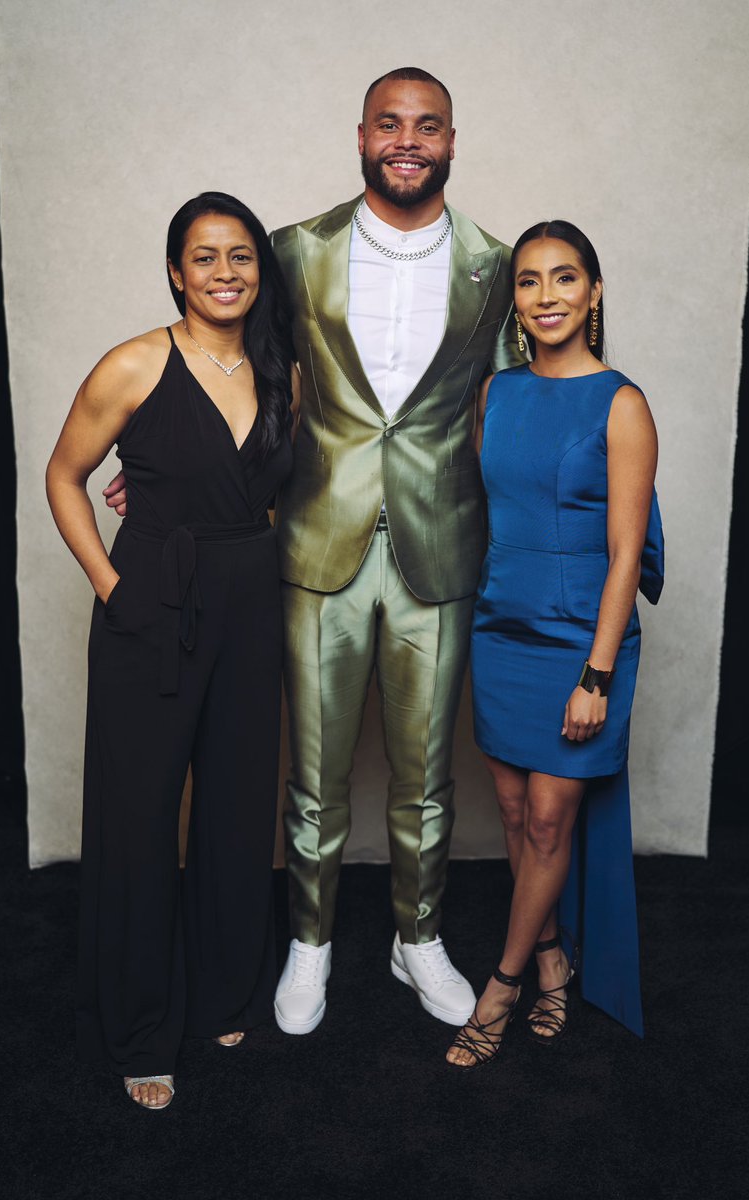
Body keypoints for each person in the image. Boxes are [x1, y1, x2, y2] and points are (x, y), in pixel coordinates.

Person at [268, 67, 525, 1035]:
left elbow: (512, 410)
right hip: (318, 537)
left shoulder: (495, 265)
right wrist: (169, 467)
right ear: (361, 135)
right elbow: (247, 377)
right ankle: (311, 942)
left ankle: (415, 938)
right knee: (315, 768)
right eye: (389, 123)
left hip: (440, 542)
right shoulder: (295, 251)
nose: (406, 140)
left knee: (425, 773)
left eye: (426, 126)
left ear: (452, 141)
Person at [46, 192, 296, 1108]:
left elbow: (258, 487)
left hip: (251, 601)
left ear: (258, 272)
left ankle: (225, 990)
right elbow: (66, 475)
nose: (224, 273)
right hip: (153, 599)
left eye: (241, 257)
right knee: (141, 818)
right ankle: (141, 1026)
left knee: (236, 810)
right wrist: (117, 591)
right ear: (174, 271)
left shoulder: (282, 369)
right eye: (204, 257)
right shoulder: (134, 363)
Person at [446, 220, 663, 1069]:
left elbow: (623, 554)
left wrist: (597, 675)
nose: (546, 297)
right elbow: (479, 508)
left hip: (583, 639)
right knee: (509, 809)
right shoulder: (497, 395)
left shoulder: (622, 403)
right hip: (502, 627)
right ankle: (549, 954)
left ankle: (502, 985)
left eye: (564, 278)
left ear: (594, 291)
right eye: (529, 282)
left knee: (547, 815)